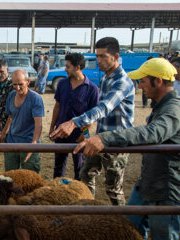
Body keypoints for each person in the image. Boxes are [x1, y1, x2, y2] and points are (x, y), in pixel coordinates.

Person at [73, 58, 179, 240]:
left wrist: (105, 138)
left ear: (158, 81)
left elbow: (153, 133)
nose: (139, 87)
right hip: (149, 183)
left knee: (164, 234)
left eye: (143, 81)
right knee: (127, 228)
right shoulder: (162, 106)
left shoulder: (173, 109)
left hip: (165, 190)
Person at [50, 37, 135, 205]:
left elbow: (103, 108)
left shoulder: (122, 82)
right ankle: (89, 211)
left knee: (112, 187)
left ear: (116, 57)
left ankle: (124, 223)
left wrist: (74, 123)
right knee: (85, 175)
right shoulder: (105, 78)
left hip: (117, 141)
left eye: (103, 56)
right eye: (97, 56)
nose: (99, 61)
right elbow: (97, 113)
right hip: (100, 139)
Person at [49, 53, 99, 180]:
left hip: (78, 134)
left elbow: (93, 115)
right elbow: (57, 107)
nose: (65, 69)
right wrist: (52, 128)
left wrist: (85, 133)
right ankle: (57, 192)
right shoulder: (62, 84)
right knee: (58, 166)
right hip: (60, 132)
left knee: (79, 167)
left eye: (68, 66)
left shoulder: (92, 89)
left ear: (77, 67)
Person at [0, 69, 44, 173]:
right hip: (12, 142)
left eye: (20, 84)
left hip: (28, 142)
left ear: (28, 82)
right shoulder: (11, 95)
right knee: (10, 176)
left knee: (30, 178)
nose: (17, 88)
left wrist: (34, 143)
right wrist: (4, 133)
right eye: (14, 84)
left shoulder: (35, 98)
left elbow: (38, 124)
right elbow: (10, 116)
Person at [0, 59, 13, 131]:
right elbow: (1, 105)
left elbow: (13, 112)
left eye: (1, 72)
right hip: (4, 123)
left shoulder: (13, 86)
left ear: (7, 70)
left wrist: (5, 130)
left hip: (13, 125)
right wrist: (0, 121)